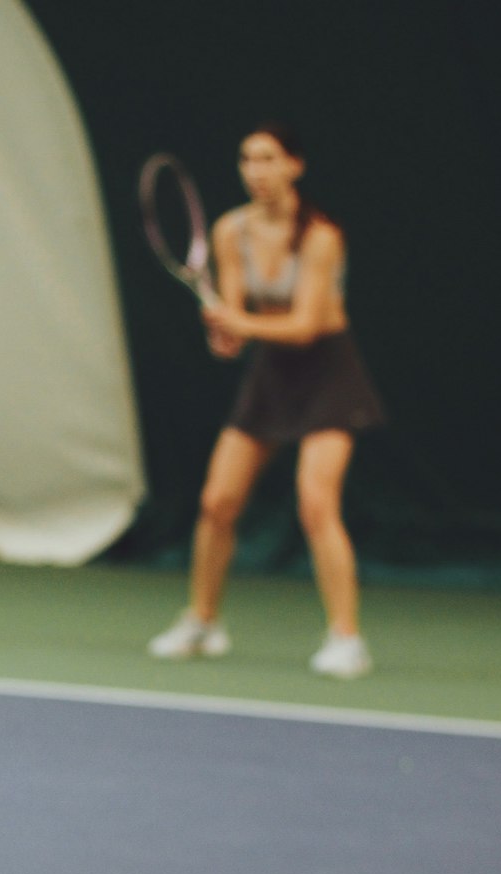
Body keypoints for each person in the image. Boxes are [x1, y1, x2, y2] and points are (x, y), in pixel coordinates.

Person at [148, 123, 385, 677]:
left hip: (329, 374)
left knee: (315, 503)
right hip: (271, 377)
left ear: (294, 166)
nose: (256, 171)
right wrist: (224, 333)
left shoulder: (322, 236)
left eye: (269, 159)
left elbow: (304, 325)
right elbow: (234, 331)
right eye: (247, 160)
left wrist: (241, 323)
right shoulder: (231, 231)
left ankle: (347, 639)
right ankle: (203, 622)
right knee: (216, 502)